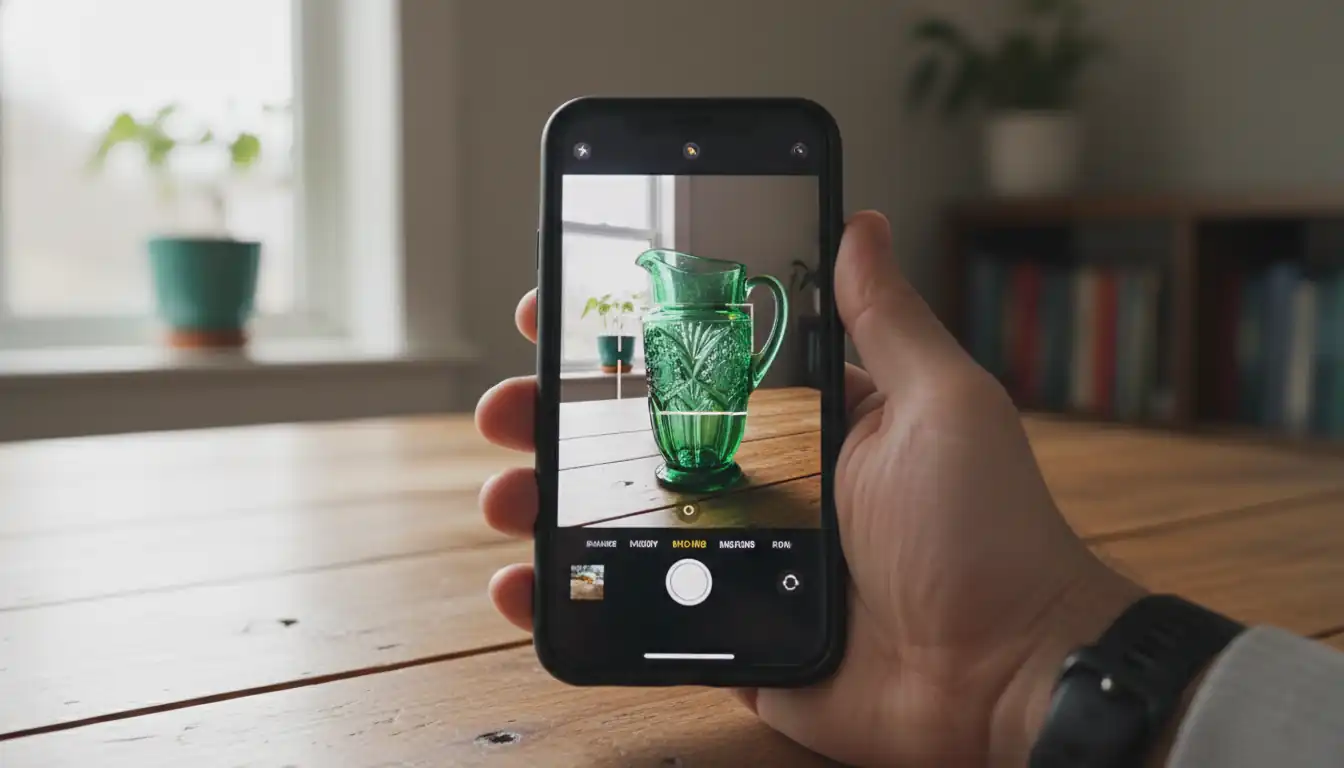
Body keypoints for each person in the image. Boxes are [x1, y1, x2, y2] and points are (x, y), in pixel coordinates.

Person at [475, 211, 1344, 766]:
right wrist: (1024, 666)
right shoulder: (701, 318)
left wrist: (1022, 661)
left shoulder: (739, 309)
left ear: (747, 304)